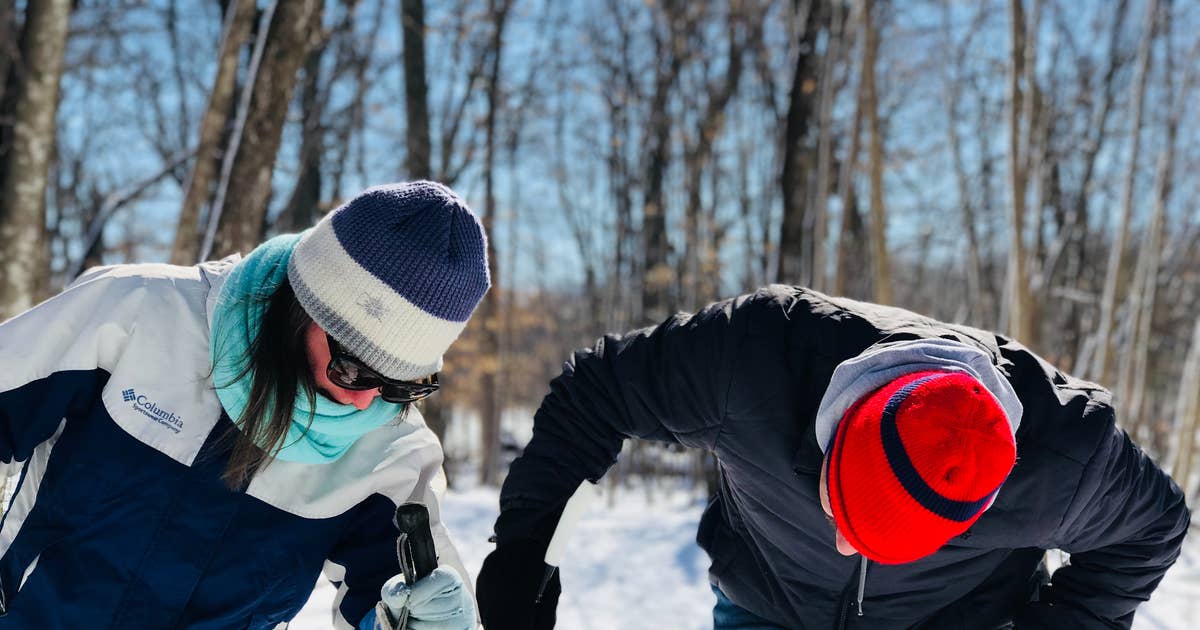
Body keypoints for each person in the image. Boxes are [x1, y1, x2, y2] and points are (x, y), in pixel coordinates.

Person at [475, 285, 1191, 629]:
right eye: (845, 508)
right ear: (841, 426)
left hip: (948, 619)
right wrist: (523, 551)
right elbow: (592, 393)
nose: (848, 540)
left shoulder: (1067, 457)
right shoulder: (753, 356)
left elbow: (1151, 529)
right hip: (768, 602)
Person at [0, 181, 487, 629]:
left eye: (400, 386)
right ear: (302, 308)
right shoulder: (137, 314)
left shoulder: (391, 451)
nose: (364, 402)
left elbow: (403, 603)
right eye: (354, 368)